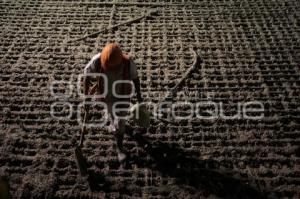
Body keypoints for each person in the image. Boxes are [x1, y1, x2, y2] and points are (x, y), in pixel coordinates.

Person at [83, 43, 143, 162]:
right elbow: (87, 75)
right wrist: (86, 96)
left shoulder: (128, 63)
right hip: (106, 95)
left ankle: (120, 148)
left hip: (122, 95)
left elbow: (135, 79)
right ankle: (114, 123)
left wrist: (139, 97)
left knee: (120, 119)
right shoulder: (97, 60)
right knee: (111, 113)